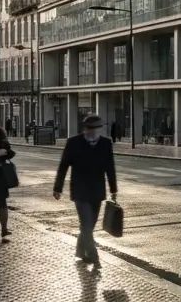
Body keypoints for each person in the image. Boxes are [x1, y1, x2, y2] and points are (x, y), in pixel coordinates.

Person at [53, 113, 118, 269]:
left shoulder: (105, 144)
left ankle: (80, 252)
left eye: (96, 128)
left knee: (89, 225)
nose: (93, 131)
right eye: (90, 128)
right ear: (85, 129)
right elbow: (63, 166)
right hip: (80, 191)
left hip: (97, 191)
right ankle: (94, 257)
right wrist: (57, 188)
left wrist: (113, 189)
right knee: (86, 223)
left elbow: (110, 167)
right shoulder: (73, 143)